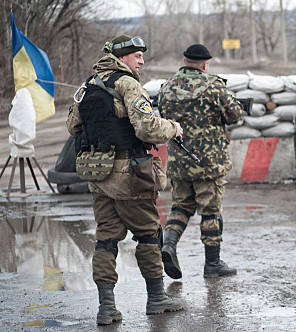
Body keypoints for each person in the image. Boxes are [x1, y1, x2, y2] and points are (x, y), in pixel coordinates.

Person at [66, 34, 186, 325]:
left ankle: (106, 308)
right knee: (147, 235)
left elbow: (73, 127)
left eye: (142, 55)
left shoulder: (86, 86)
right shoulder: (128, 84)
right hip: (131, 174)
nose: (141, 61)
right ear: (121, 58)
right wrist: (173, 128)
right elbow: (147, 129)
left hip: (98, 175)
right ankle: (157, 299)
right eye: (136, 56)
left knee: (106, 240)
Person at [158, 44, 243, 280]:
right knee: (211, 211)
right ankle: (212, 264)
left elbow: (163, 118)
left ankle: (169, 245)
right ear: (205, 64)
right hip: (209, 164)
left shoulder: (167, 87)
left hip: (179, 161)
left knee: (180, 207)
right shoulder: (214, 86)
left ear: (184, 60)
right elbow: (235, 115)